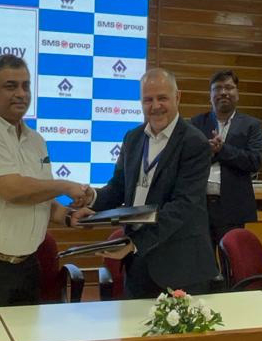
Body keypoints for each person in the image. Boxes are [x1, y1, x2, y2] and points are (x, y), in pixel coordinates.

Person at [0, 54, 90, 309]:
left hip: (26, 265)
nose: (21, 94)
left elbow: (38, 197)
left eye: (26, 85)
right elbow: (12, 190)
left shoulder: (35, 140)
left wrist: (66, 215)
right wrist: (65, 185)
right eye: (11, 86)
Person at [72, 68, 219, 298]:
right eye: (148, 100)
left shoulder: (195, 143)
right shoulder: (133, 138)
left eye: (162, 98)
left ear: (177, 97)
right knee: (136, 330)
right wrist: (92, 201)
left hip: (180, 267)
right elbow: (119, 187)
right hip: (138, 264)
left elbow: (183, 206)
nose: (155, 106)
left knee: (179, 335)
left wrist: (133, 243)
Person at [189, 70, 262, 250]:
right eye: (218, 88)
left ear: (237, 94)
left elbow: (254, 161)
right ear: (210, 95)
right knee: (202, 263)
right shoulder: (196, 123)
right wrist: (209, 152)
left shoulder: (250, 125)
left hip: (232, 206)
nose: (224, 92)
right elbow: (187, 161)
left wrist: (222, 150)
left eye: (229, 87)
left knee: (231, 262)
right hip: (200, 206)